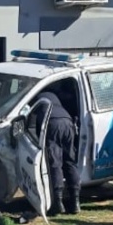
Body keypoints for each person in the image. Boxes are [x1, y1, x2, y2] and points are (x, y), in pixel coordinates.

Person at [37, 89, 81, 217]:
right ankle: (75, 203)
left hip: (52, 124)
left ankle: (58, 203)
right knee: (69, 162)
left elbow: (37, 126)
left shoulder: (36, 97)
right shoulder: (55, 96)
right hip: (67, 122)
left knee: (55, 163)